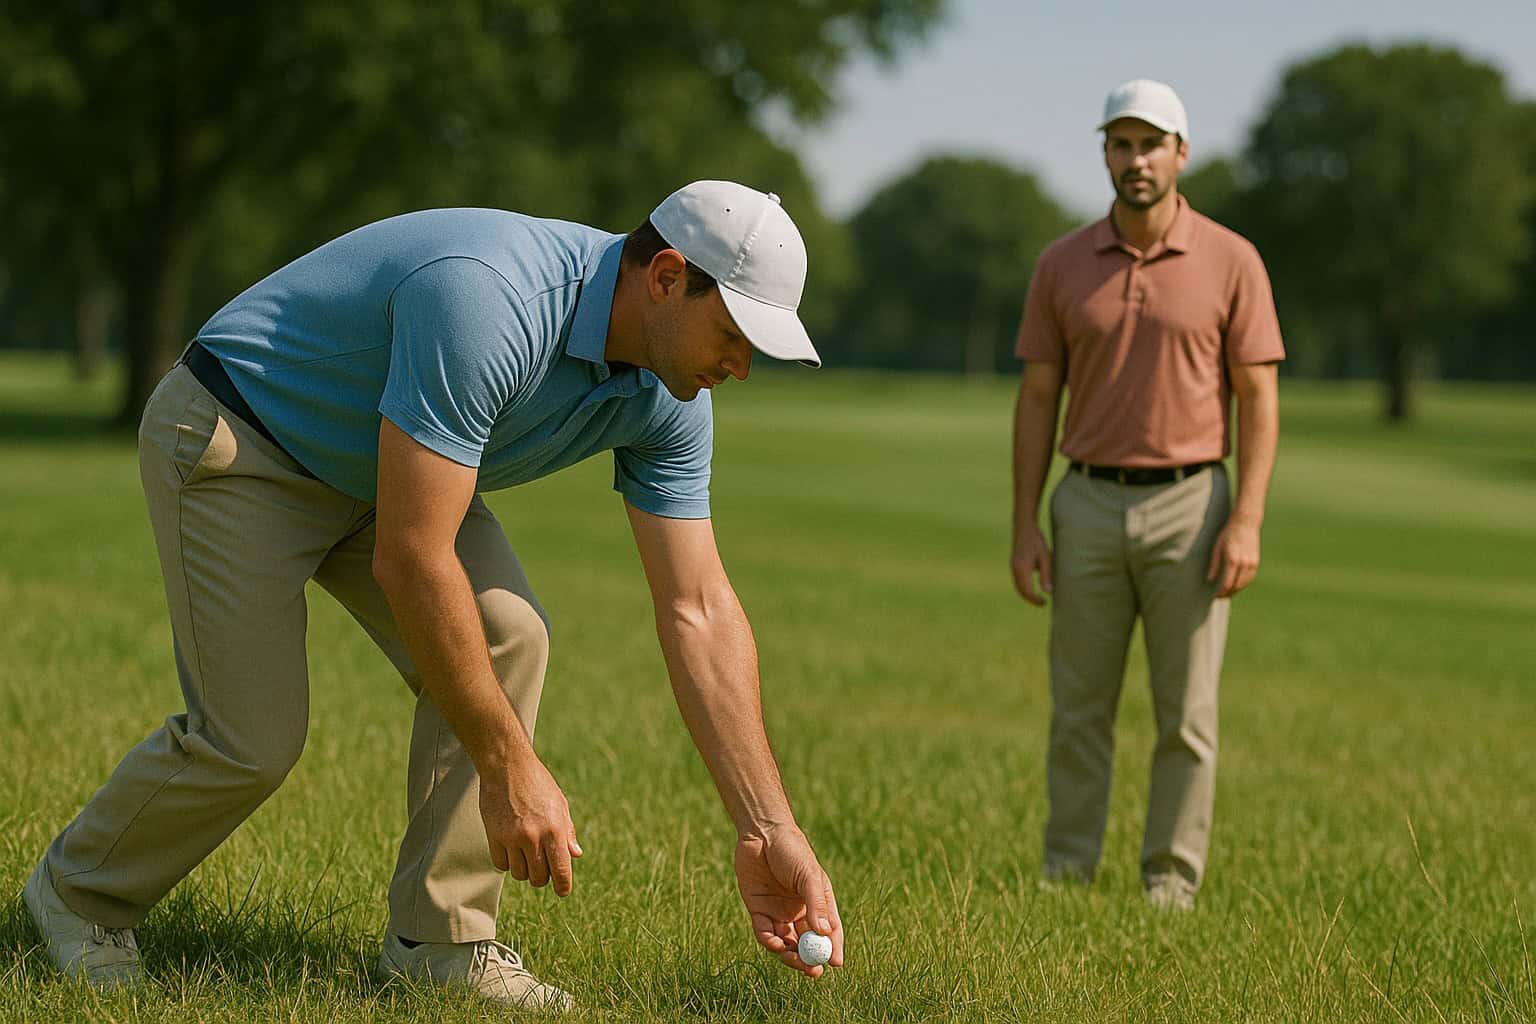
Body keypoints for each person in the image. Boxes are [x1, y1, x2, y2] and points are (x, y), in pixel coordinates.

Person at [24, 181, 845, 1008]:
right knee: (252, 739)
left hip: (383, 471)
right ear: (667, 277)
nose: (739, 368)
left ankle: (441, 941)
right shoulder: (492, 298)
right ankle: (80, 893)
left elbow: (696, 605)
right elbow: (413, 557)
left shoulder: (669, 396)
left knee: (509, 636)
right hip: (244, 439)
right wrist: (508, 765)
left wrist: (768, 826)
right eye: (735, 333)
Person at [1009, 80, 1283, 910]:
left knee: (1186, 717)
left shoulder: (1232, 259)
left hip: (1192, 506)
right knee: (1079, 710)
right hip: (1085, 502)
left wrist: (1248, 519)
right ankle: (1067, 872)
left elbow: (1259, 398)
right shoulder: (1061, 263)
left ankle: (1170, 882)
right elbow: (1036, 399)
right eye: (1121, 144)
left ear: (1181, 154)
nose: (1136, 159)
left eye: (1151, 144)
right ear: (1104, 153)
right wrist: (1025, 523)